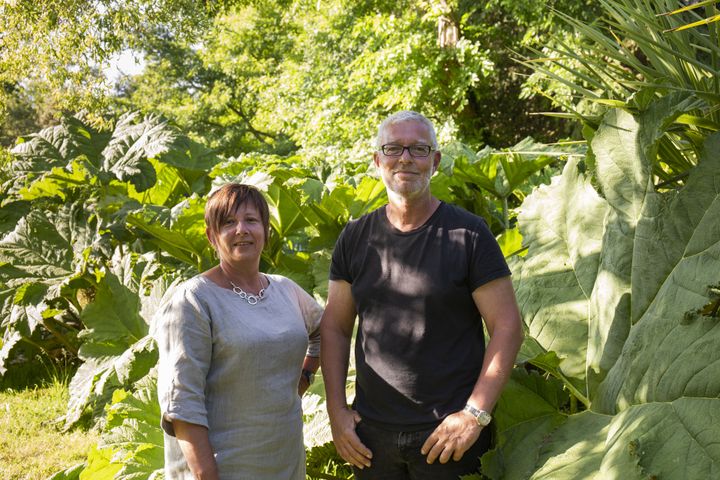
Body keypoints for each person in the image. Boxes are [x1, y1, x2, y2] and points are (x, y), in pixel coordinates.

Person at [321, 111, 524, 479]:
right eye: (393, 148)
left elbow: (507, 326)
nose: (406, 159)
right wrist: (337, 412)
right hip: (371, 438)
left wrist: (474, 414)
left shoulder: (469, 234)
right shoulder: (354, 238)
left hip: (449, 436)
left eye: (418, 149)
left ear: (436, 160)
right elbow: (334, 328)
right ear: (377, 160)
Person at [155, 183, 322, 480]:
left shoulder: (285, 289)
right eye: (229, 222)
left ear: (266, 230)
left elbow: (324, 331)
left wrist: (304, 377)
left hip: (284, 458)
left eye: (251, 220)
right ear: (211, 236)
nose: (241, 229)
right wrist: (207, 475)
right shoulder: (192, 300)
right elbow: (182, 401)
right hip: (223, 467)